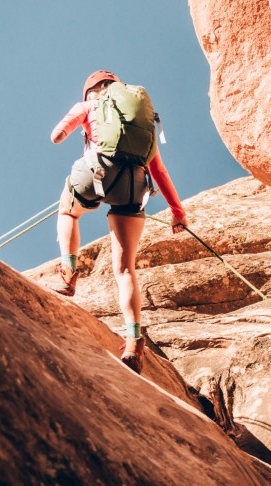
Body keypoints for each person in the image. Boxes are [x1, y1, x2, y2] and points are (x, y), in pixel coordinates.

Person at [44, 69, 188, 373]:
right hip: (134, 185)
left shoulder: (88, 106)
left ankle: (68, 273)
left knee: (68, 212)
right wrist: (177, 211)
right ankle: (135, 340)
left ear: (91, 91)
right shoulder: (141, 124)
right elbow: (159, 172)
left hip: (95, 171)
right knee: (124, 269)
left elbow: (57, 135)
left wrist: (77, 129)